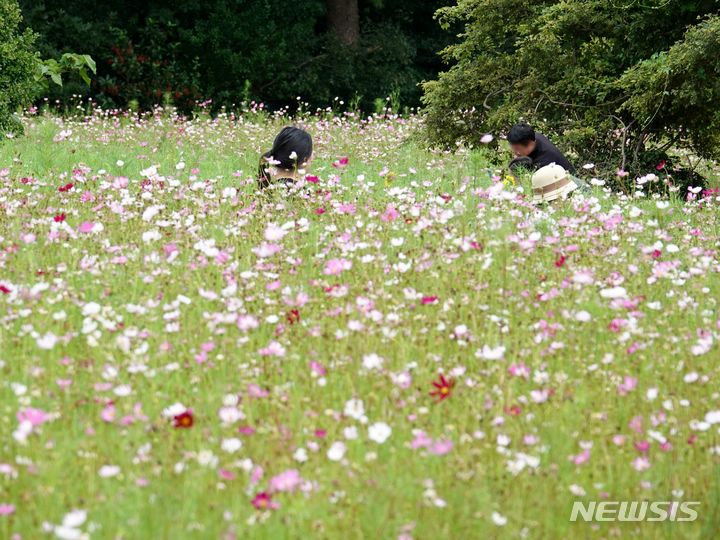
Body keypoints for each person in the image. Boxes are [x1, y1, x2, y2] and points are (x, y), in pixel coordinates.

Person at [507, 123, 576, 175]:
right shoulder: (532, 136)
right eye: (513, 148)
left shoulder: (545, 161)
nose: (516, 152)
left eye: (517, 149)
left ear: (530, 144)